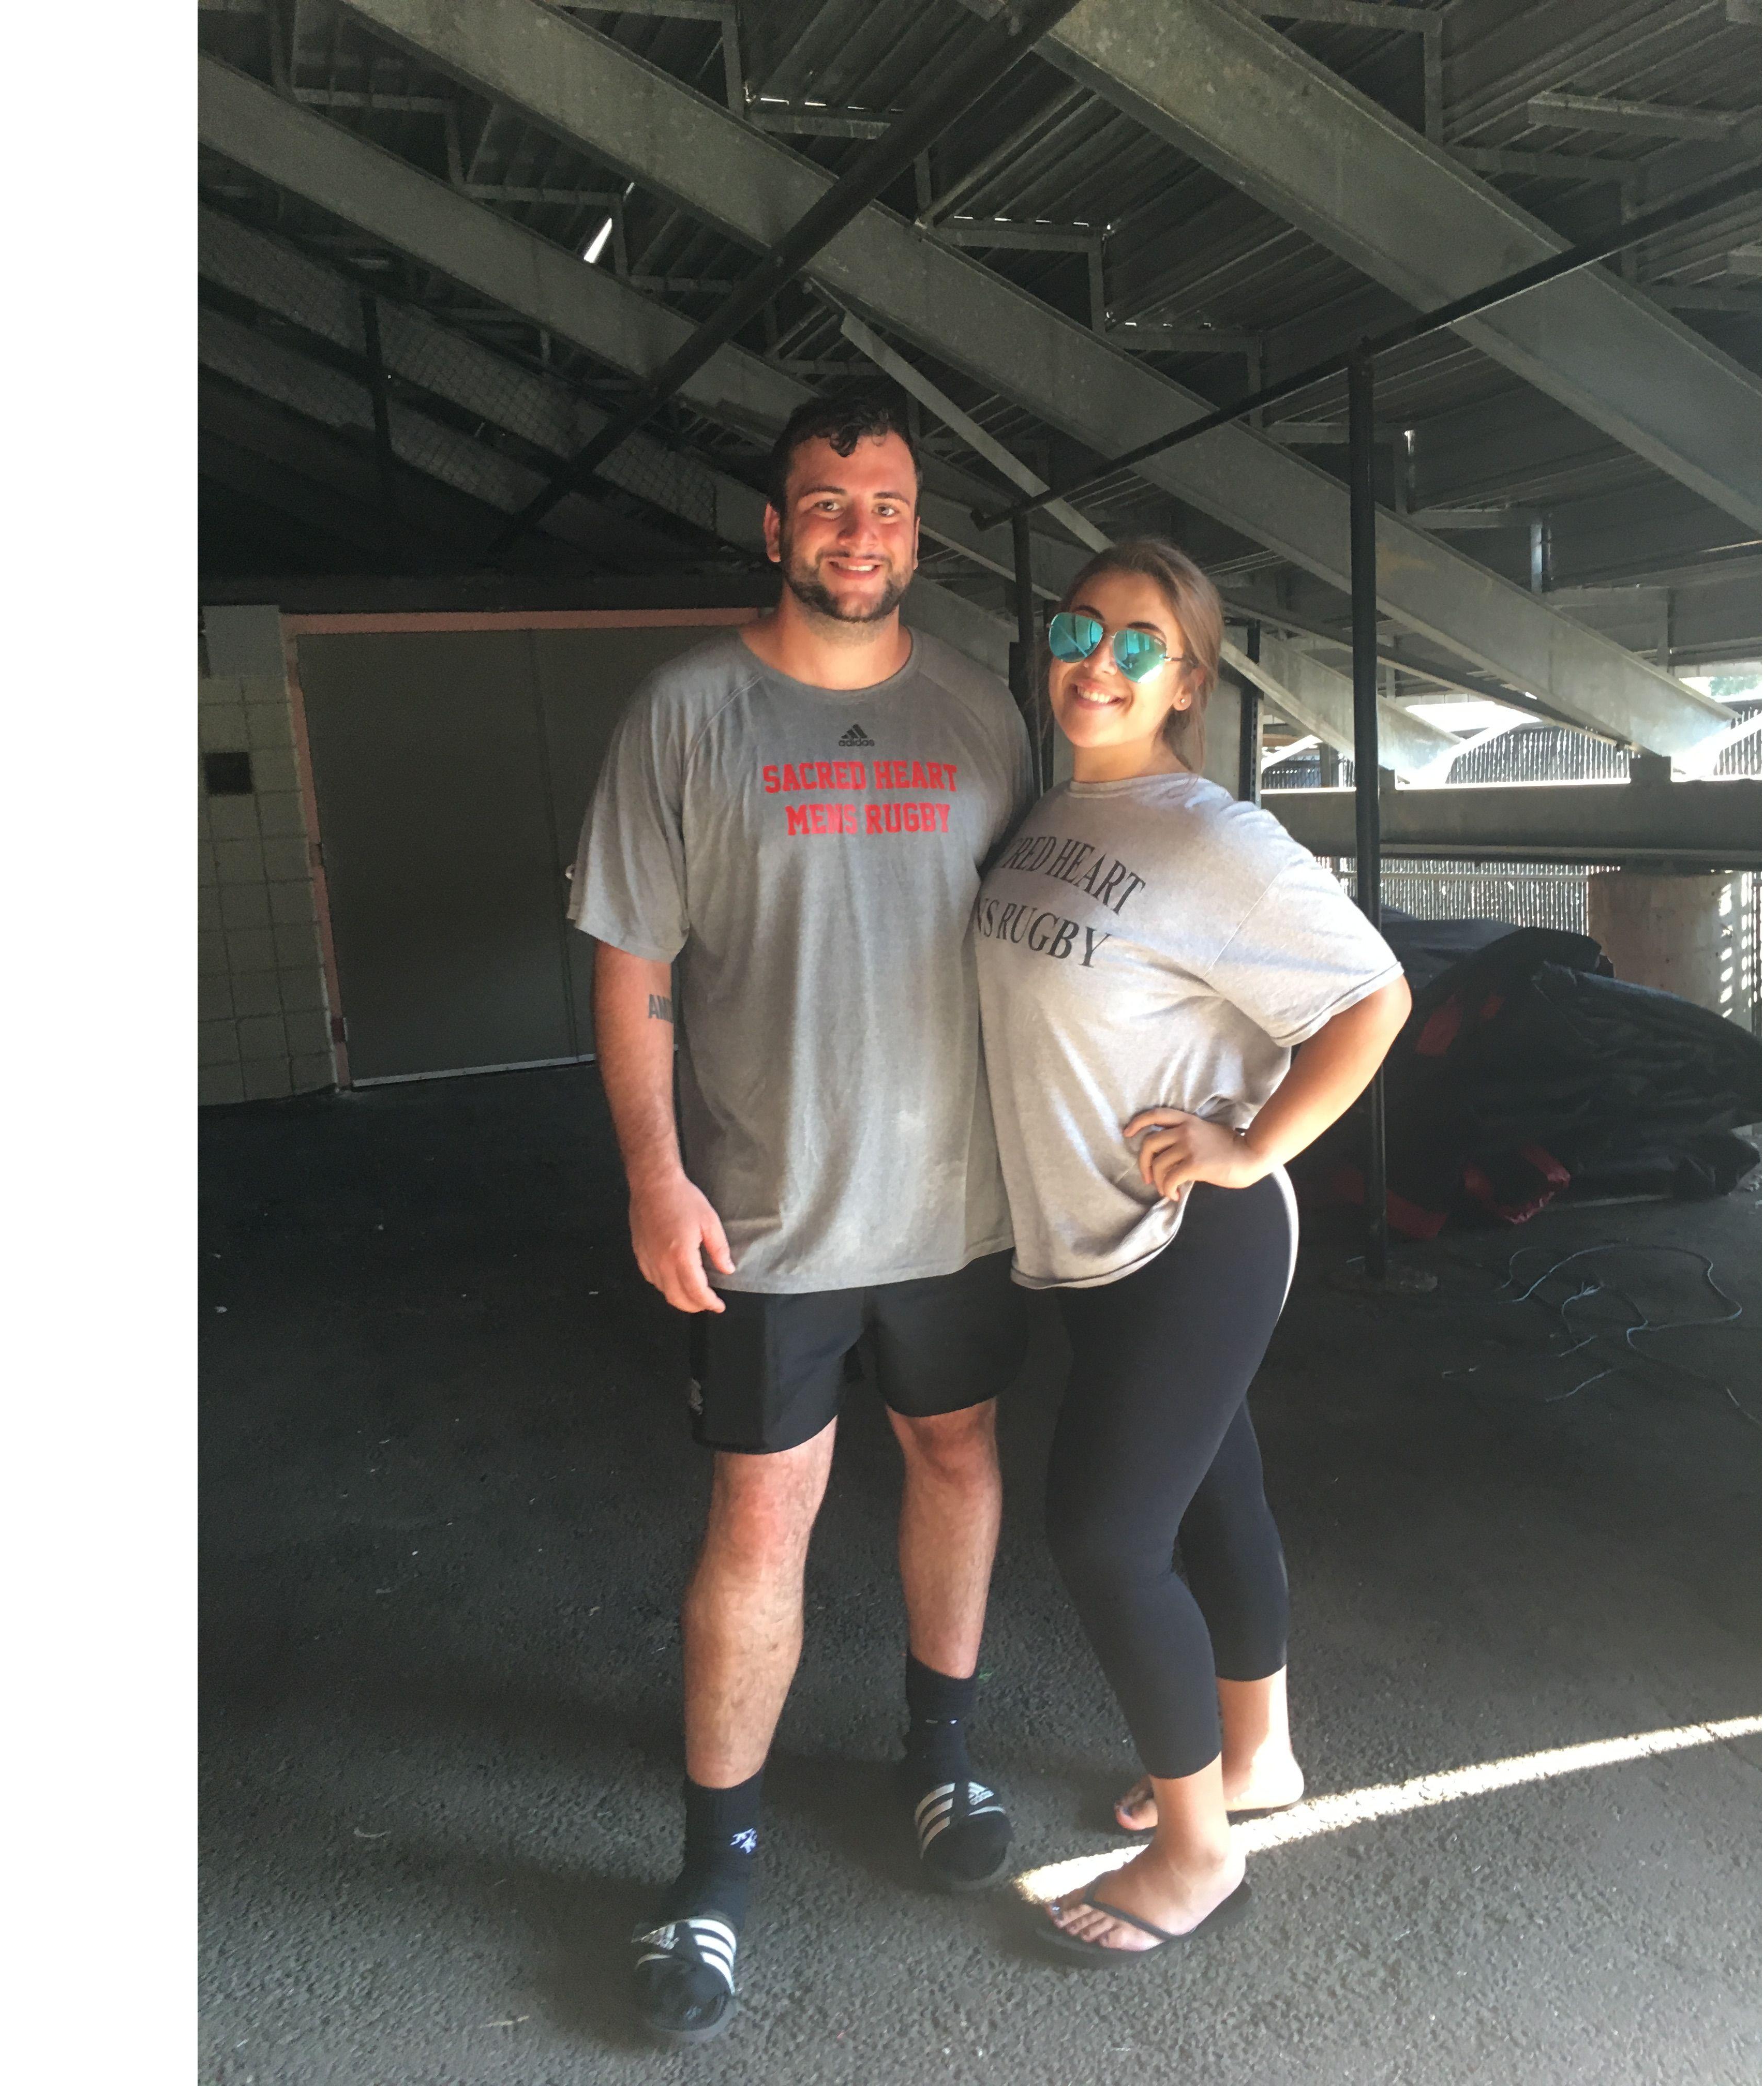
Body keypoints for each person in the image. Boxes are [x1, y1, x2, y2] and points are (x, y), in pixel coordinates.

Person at [567, 383, 1034, 2043]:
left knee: (957, 1458)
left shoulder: (985, 715)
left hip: (961, 1206)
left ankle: (940, 1755)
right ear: (777, 527)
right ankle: (714, 1874)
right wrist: (654, 1173)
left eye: (888, 504)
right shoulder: (686, 713)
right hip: (765, 1216)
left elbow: (1048, 941)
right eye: (830, 502)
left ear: (918, 531)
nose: (859, 531)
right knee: (762, 1519)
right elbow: (632, 965)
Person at [973, 539, 1412, 1961]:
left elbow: (1372, 1000)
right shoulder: (1052, 811)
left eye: (1138, 644)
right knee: (1217, 1488)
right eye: (1078, 630)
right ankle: (1259, 1755)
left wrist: (1252, 1144)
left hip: (1191, 1231)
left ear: (1187, 681)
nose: (1097, 662)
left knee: (1106, 1538)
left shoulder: (1213, 839)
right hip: (1087, 1234)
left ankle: (1197, 1852)